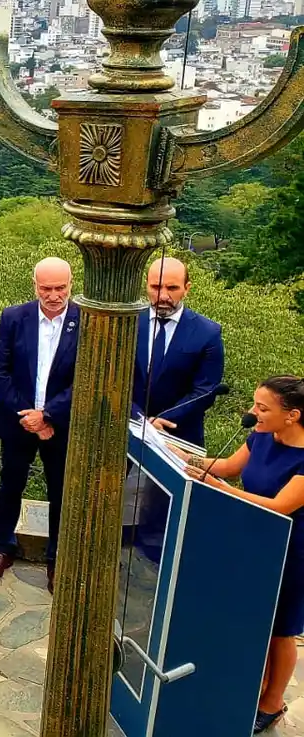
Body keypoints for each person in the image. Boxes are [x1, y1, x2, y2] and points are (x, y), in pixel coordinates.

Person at [178, 377, 304, 733]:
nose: (253, 413)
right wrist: (184, 456)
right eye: (254, 404)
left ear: (292, 415)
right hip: (252, 542)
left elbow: (281, 506)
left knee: (281, 629)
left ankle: (272, 702)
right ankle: (249, 684)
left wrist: (220, 490)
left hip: (292, 553)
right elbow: (229, 468)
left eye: (262, 408)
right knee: (253, 619)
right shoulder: (263, 435)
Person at [0, 257, 80, 590]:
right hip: (18, 421)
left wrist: (49, 415)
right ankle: (1, 547)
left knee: (61, 492)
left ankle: (57, 559)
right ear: (34, 284)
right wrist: (29, 415)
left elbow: (86, 379)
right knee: (10, 485)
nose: (54, 295)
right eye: (46, 288)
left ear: (71, 284)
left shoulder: (87, 320)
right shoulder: (14, 317)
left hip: (61, 425)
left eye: (60, 288)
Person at [133, 256, 224, 446]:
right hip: (126, 430)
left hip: (179, 435)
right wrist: (138, 418)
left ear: (186, 288)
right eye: (156, 287)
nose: (163, 296)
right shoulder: (127, 323)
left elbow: (205, 390)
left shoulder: (207, 333)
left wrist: (163, 419)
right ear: (146, 286)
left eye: (172, 288)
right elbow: (112, 378)